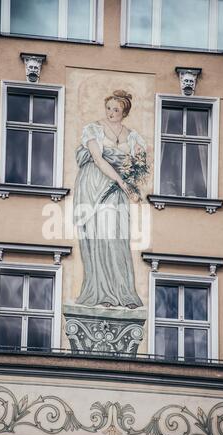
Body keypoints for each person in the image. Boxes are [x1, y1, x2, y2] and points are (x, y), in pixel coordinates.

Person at [74, 90, 147, 309]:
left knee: (116, 237)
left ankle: (120, 292)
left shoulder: (132, 135)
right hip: (95, 185)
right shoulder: (93, 129)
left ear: (125, 112)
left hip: (117, 191)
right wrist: (124, 184)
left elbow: (140, 163)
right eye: (109, 108)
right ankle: (99, 292)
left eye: (116, 110)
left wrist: (133, 171)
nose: (111, 113)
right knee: (99, 236)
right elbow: (98, 159)